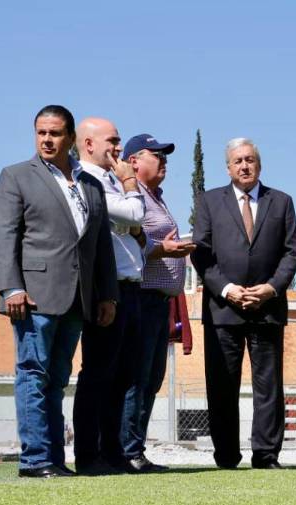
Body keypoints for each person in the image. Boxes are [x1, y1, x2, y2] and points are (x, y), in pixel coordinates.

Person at [0, 105, 117, 479]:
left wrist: (107, 294)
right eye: (41, 132)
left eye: (55, 133)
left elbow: (101, 244)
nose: (46, 140)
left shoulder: (90, 184)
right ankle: (35, 459)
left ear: (71, 138)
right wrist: (12, 288)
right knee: (33, 373)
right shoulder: (16, 176)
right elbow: (4, 235)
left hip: (78, 298)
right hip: (33, 297)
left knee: (58, 379)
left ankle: (54, 459)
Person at [191, 138, 296, 469]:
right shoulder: (209, 202)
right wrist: (226, 289)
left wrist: (271, 288)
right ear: (228, 168)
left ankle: (266, 455)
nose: (244, 166)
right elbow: (201, 253)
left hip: (267, 309)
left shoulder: (281, 202)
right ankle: (226, 455)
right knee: (222, 385)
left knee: (268, 386)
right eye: (238, 161)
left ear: (259, 165)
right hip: (223, 309)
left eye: (250, 159)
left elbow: (292, 252)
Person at [70, 117, 148, 475]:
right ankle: (89, 453)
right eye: (112, 141)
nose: (119, 148)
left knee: (123, 376)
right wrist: (130, 182)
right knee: (98, 374)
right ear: (88, 144)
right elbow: (135, 212)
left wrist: (132, 220)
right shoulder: (87, 179)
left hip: (131, 287)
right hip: (109, 289)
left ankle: (113, 452)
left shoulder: (109, 179)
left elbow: (136, 225)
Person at [119, 133, 196, 473]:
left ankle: (135, 449)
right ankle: (128, 451)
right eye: (157, 155)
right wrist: (164, 248)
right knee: (138, 378)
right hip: (142, 297)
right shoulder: (131, 195)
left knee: (151, 379)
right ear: (133, 161)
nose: (164, 161)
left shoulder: (155, 197)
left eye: (165, 156)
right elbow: (129, 241)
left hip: (159, 302)